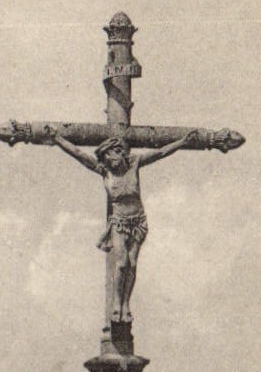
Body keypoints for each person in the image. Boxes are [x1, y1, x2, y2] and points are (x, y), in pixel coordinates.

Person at [49, 129, 199, 325]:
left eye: (113, 155)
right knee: (121, 264)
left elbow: (161, 153)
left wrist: (182, 142)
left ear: (119, 152)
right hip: (119, 223)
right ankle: (117, 304)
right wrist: (58, 138)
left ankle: (126, 304)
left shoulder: (134, 163)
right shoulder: (104, 170)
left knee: (133, 263)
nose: (112, 160)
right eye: (107, 157)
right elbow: (78, 154)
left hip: (138, 221)